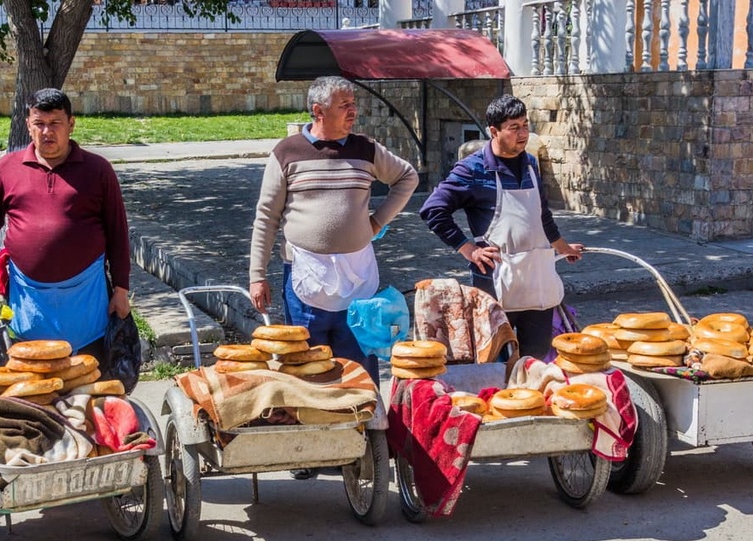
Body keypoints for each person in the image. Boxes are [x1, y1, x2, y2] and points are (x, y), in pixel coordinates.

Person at [248, 75, 418, 479]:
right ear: (318, 111)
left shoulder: (365, 149)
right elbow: (266, 216)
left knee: (358, 360)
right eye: (345, 104)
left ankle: (362, 443)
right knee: (307, 362)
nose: (353, 110)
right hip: (305, 274)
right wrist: (257, 274)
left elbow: (407, 177)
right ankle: (307, 448)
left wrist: (376, 221)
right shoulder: (287, 152)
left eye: (353, 102)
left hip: (357, 275)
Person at [0, 88, 132, 370]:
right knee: (32, 387)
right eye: (39, 123)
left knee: (88, 389)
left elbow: (118, 232)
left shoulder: (98, 170)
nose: (47, 132)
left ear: (71, 124)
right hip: (27, 303)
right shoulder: (7, 169)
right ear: (28, 125)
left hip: (87, 301)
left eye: (55, 123)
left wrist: (121, 289)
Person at [419, 94, 583, 360]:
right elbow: (433, 209)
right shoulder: (472, 170)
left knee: (535, 355)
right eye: (514, 127)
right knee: (495, 357)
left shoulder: (530, 165)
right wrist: (468, 249)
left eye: (525, 125)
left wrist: (563, 247)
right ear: (494, 131)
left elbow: (541, 215)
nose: (523, 134)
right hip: (495, 281)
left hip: (536, 280)